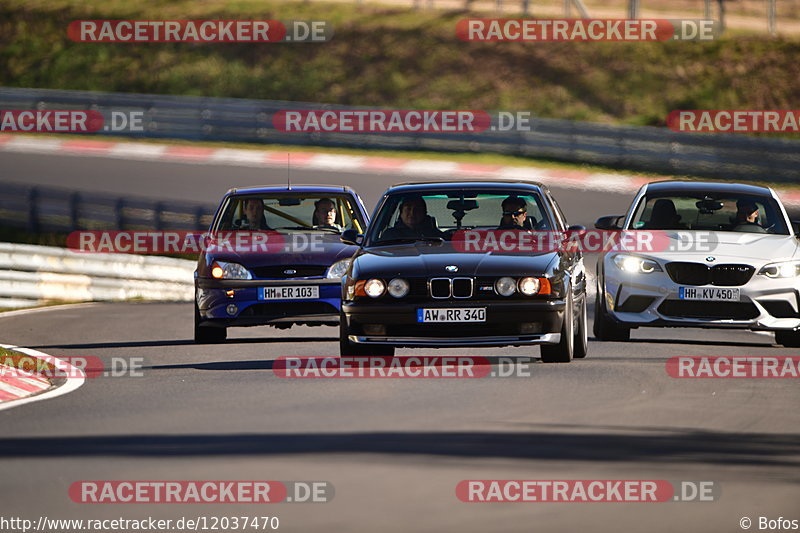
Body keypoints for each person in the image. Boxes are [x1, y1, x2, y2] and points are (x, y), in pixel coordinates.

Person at [380, 196, 445, 240]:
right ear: (401, 212)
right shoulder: (389, 236)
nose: (412, 213)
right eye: (408, 209)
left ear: (424, 213)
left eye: (417, 209)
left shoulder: (435, 236)